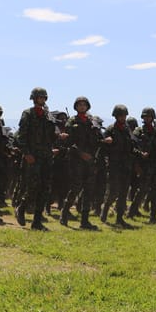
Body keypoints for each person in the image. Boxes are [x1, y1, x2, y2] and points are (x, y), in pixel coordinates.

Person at [15, 87, 62, 230]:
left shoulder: (48, 115)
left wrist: (59, 136)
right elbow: (21, 136)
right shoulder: (28, 113)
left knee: (45, 189)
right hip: (33, 157)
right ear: (34, 98)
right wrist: (26, 153)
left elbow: (52, 135)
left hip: (46, 156)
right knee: (33, 187)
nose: (41, 99)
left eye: (43, 97)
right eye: (39, 97)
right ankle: (21, 208)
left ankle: (37, 221)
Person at [61, 96, 102, 230]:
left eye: (84, 105)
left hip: (90, 161)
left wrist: (105, 140)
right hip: (76, 160)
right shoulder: (72, 121)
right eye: (80, 105)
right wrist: (80, 153)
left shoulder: (92, 121)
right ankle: (65, 213)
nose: (82, 107)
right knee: (75, 188)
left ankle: (84, 221)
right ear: (76, 107)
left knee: (89, 191)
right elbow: (68, 142)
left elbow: (98, 139)